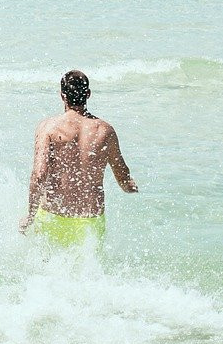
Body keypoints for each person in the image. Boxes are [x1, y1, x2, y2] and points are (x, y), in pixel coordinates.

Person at [23, 69, 137, 246]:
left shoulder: (48, 128)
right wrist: (130, 187)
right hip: (90, 220)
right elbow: (123, 178)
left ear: (62, 96)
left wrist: (29, 216)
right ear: (88, 94)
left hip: (54, 216)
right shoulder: (105, 131)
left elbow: (39, 174)